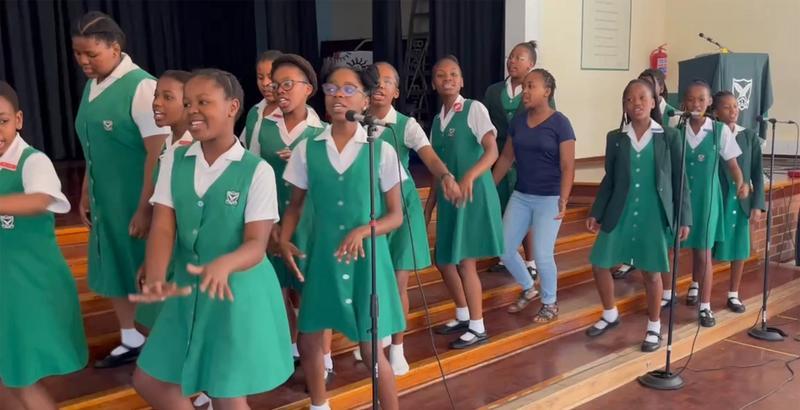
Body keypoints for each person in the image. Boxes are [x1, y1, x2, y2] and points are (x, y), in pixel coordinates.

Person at [130, 69, 293, 409]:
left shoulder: (255, 170)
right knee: (150, 380)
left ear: (233, 106)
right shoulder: (175, 159)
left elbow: (256, 244)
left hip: (235, 294)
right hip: (187, 290)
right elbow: (163, 226)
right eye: (188, 103)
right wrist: (157, 278)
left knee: (225, 393)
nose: (193, 111)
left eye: (204, 102)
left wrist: (224, 264)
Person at [280, 65, 406, 410]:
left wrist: (363, 230)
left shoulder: (380, 149)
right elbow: (294, 205)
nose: (338, 95)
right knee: (309, 339)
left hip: (368, 260)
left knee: (370, 347)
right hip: (323, 256)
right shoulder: (308, 148)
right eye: (332, 88)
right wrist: (284, 239)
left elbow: (395, 215)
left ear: (366, 99)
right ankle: (319, 405)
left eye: (349, 89)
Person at [71, 11, 169, 368]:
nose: (83, 61)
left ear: (116, 48)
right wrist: (84, 191)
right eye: (78, 53)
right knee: (113, 263)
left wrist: (145, 207)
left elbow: (157, 151)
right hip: (105, 198)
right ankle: (131, 337)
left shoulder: (142, 87)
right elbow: (92, 145)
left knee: (140, 266)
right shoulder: (93, 84)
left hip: (135, 197)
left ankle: (161, 343)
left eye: (91, 54)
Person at [367, 61, 461, 374]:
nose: (379, 87)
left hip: (402, 206)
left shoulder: (405, 124)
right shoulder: (355, 123)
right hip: (369, 208)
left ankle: (397, 346)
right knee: (373, 282)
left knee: (398, 282)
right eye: (373, 81)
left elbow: (429, 156)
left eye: (386, 82)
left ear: (395, 91)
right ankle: (376, 339)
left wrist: (446, 175)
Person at [584, 79, 691, 351]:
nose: (636, 103)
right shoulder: (617, 139)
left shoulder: (669, 136)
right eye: (630, 99)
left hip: (653, 215)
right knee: (599, 262)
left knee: (651, 273)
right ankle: (610, 314)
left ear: (654, 102)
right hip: (620, 212)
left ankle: (654, 327)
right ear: (624, 106)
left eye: (642, 97)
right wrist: (597, 212)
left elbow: (680, 180)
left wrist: (684, 217)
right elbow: (609, 180)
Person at [0, 81, 88, 410]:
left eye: (3, 120)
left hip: (28, 285)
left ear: (18, 119)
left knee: (21, 378)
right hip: (5, 285)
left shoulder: (33, 161)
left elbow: (39, 199)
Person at [425, 55, 503, 349]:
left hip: (472, 196)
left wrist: (469, 176)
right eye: (441, 74)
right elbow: (437, 168)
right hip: (449, 198)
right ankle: (462, 313)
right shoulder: (436, 121)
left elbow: (492, 151)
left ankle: (478, 326)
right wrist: (429, 205)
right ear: (433, 83)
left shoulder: (473, 109)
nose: (448, 78)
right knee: (443, 260)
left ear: (462, 81)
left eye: (454, 74)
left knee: (466, 263)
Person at [663, 80, 748, 327]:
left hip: (706, 201)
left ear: (710, 102)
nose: (696, 104)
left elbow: (733, 165)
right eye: (691, 100)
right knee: (670, 249)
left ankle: (705, 306)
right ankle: (668, 295)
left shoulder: (719, 131)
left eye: (701, 99)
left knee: (703, 254)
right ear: (683, 104)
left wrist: (741, 183)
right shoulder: (676, 130)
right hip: (678, 199)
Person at [492, 69, 575, 320]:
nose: (525, 91)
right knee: (504, 248)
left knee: (542, 253)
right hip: (522, 194)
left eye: (531, 86)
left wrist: (564, 198)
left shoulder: (560, 123)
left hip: (549, 197)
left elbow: (568, 165)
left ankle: (550, 302)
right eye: (524, 86)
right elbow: (507, 157)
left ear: (546, 92)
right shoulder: (518, 122)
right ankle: (529, 288)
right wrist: (489, 187)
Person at [135, 69, 193, 330]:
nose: (157, 102)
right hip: (168, 252)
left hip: (185, 255)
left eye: (167, 97)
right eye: (157, 95)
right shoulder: (168, 143)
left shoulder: (192, 150)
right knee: (150, 324)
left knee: (163, 327)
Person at [484, 41, 541, 279]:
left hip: (526, 163)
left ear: (531, 64)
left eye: (519, 58)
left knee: (525, 214)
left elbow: (545, 124)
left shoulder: (538, 92)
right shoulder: (493, 91)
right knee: (500, 209)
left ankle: (531, 260)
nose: (512, 61)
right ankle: (504, 255)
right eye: (510, 57)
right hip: (499, 159)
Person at [711, 90, 765, 313]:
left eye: (736, 106)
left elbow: (756, 171)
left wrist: (757, 204)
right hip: (718, 200)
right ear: (715, 112)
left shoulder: (749, 136)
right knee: (708, 248)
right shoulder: (711, 134)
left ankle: (733, 294)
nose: (733, 111)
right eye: (726, 107)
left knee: (740, 249)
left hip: (741, 201)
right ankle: (698, 287)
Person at [240, 50, 282, 151]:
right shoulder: (254, 111)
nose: (265, 83)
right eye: (260, 77)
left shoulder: (297, 113)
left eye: (270, 77)